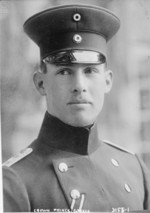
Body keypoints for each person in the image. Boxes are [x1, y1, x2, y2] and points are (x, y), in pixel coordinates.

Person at [2, 4, 150, 212]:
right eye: (64, 72)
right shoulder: (15, 181)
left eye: (90, 70)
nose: (80, 86)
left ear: (107, 81)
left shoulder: (134, 170)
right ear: (41, 83)